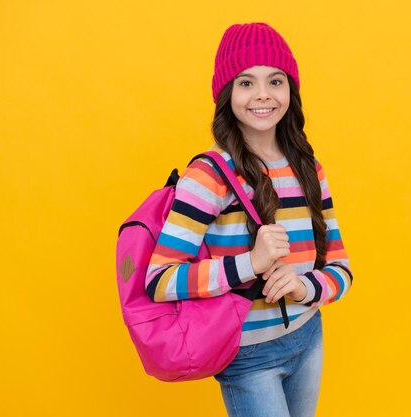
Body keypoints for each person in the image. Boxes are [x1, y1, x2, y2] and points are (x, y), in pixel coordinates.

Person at [146, 22, 353, 417]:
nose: (263, 95)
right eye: (246, 83)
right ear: (226, 93)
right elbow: (159, 280)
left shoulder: (309, 168)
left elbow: (342, 269)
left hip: (308, 338)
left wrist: (303, 287)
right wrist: (250, 264)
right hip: (247, 355)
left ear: (290, 90)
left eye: (275, 81)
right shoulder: (209, 175)